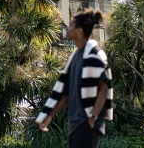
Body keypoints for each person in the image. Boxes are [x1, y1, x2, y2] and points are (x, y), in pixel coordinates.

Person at [36, 8, 113, 148]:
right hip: (75, 122)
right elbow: (66, 94)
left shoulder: (94, 54)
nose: (67, 27)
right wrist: (49, 115)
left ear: (79, 31)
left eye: (71, 25)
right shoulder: (75, 57)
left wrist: (93, 116)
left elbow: (104, 89)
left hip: (87, 123)